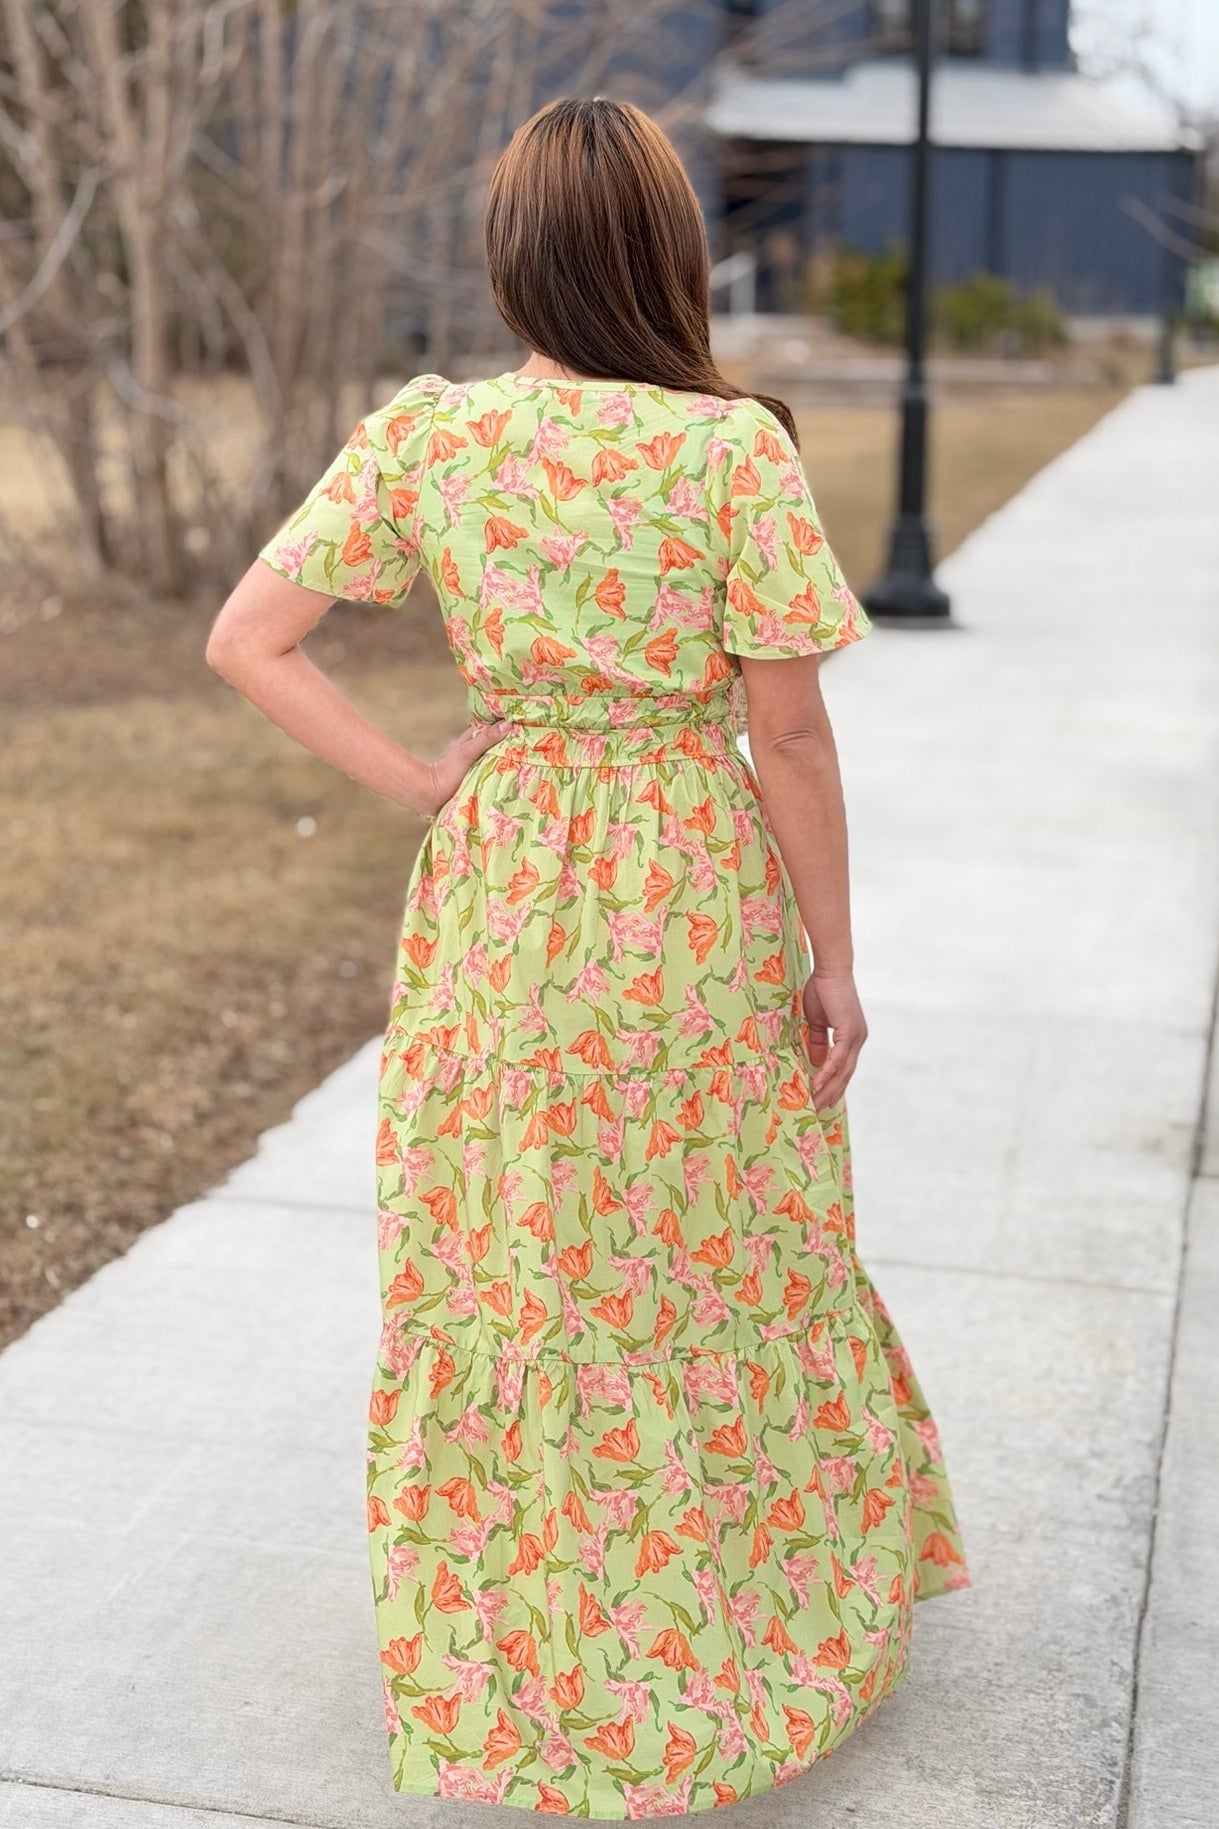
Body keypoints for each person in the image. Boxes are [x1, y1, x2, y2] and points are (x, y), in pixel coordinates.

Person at [207, 94, 968, 1820]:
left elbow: (250, 638)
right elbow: (790, 735)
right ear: (666, 257)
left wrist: (419, 778)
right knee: (711, 1248)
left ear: (513, 261)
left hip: (504, 896)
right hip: (686, 887)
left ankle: (524, 1643)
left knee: (521, 1256)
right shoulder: (731, 450)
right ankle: (729, 1619)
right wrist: (836, 956)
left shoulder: (434, 439)